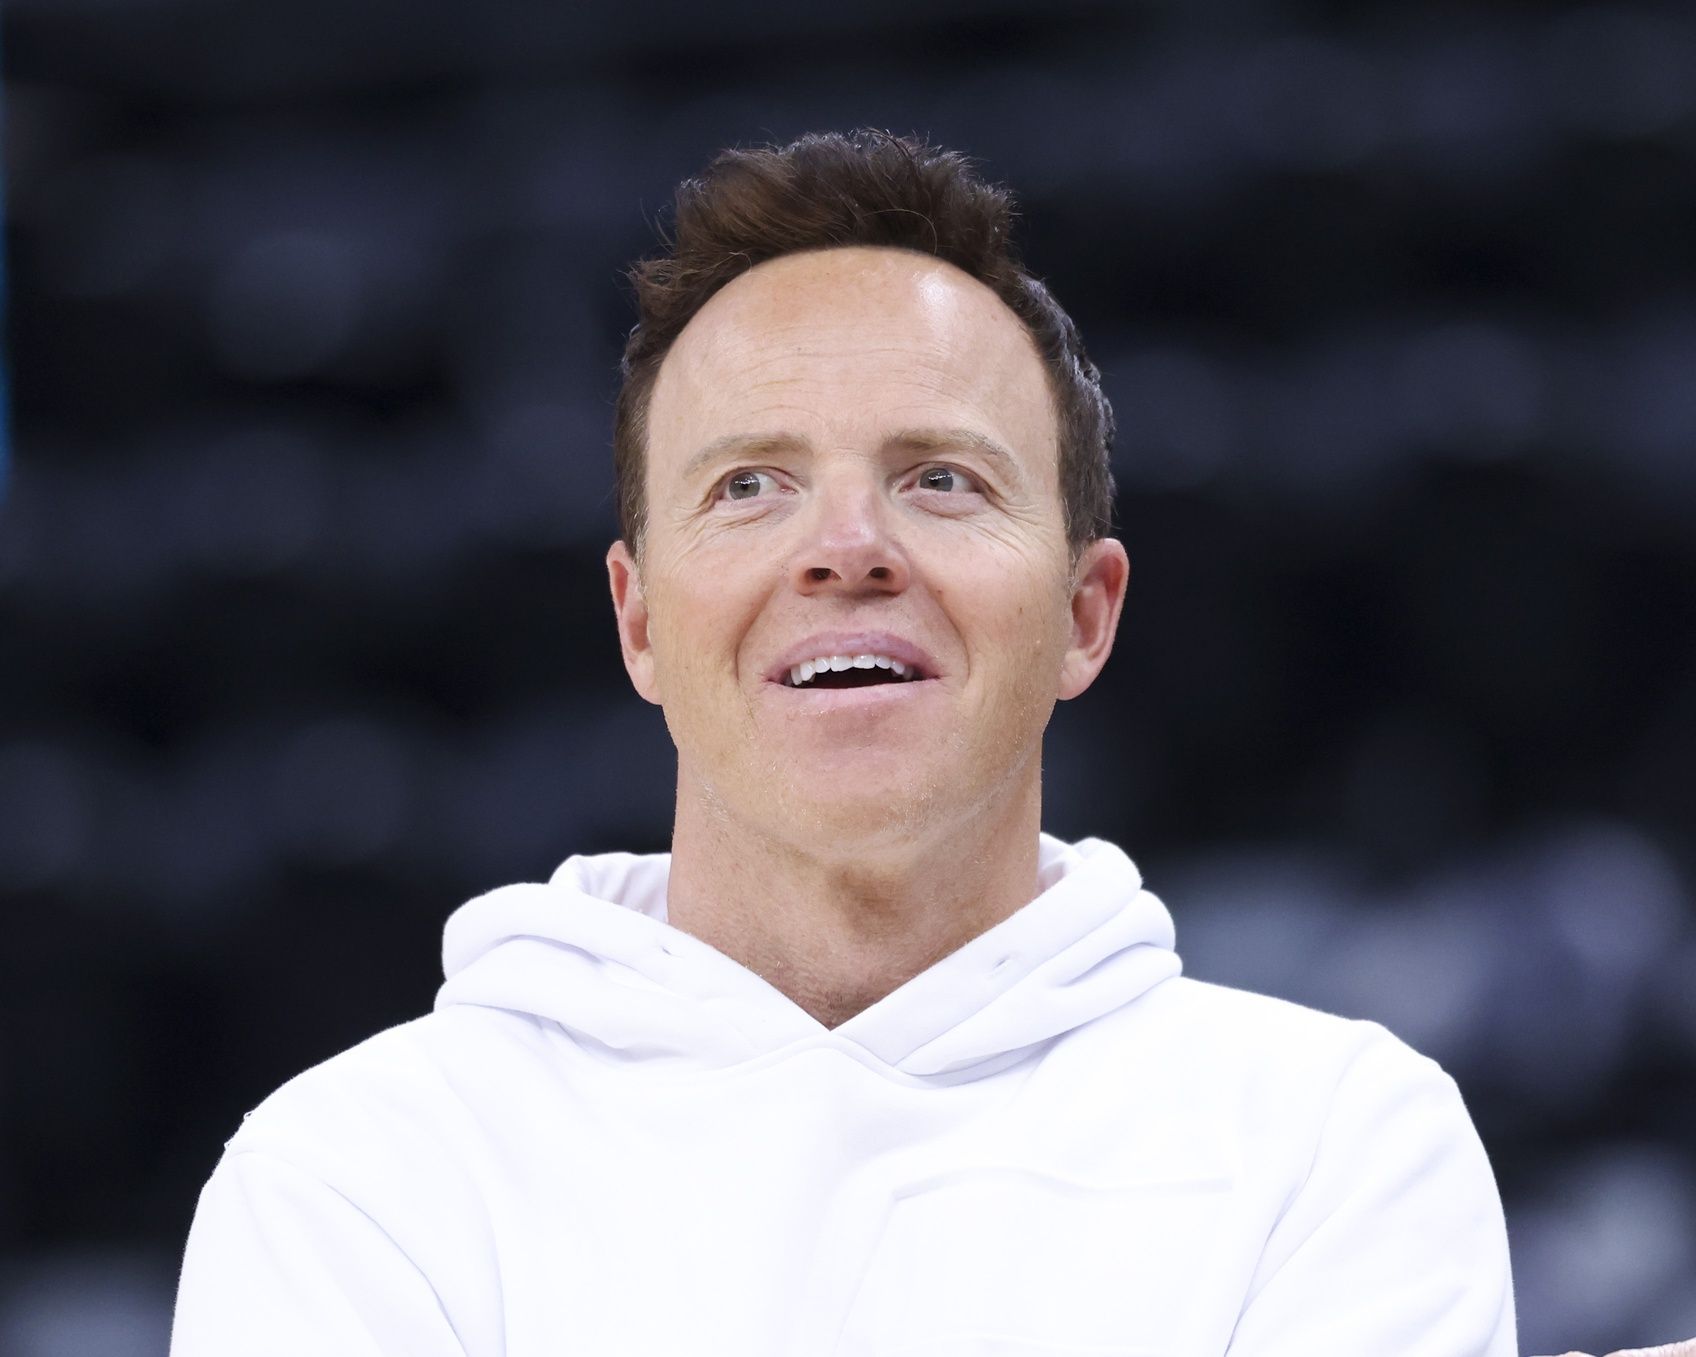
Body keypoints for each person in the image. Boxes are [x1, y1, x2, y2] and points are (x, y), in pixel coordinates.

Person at [170, 129, 1519, 1356]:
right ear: (640, 623)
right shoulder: (359, 1182)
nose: (848, 548)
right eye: (751, 485)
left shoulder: (1337, 1149)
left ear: (1084, 615)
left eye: (942, 478)